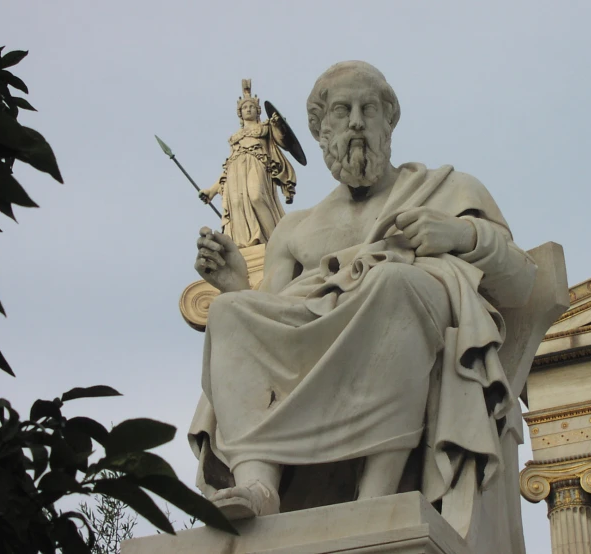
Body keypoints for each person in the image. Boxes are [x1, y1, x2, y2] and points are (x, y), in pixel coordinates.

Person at [189, 61, 537, 523]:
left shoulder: (444, 190)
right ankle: (259, 483)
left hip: (397, 316)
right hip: (315, 340)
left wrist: (460, 235)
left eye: (367, 108)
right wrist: (233, 285)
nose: (355, 121)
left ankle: (376, 495)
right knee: (230, 312)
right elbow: (270, 312)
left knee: (393, 283)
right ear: (319, 129)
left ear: (388, 122)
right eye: (341, 111)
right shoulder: (295, 229)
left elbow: (522, 281)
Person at [199, 80, 297, 248]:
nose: (248, 109)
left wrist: (278, 126)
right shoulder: (235, 137)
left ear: (257, 110)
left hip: (257, 163)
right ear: (240, 113)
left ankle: (275, 242)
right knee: (236, 203)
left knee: (256, 196)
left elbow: (283, 142)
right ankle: (244, 244)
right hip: (236, 169)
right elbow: (227, 167)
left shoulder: (264, 127)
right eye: (244, 108)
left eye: (251, 107)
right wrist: (212, 191)